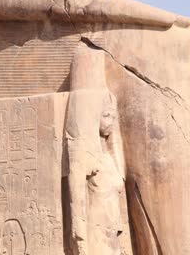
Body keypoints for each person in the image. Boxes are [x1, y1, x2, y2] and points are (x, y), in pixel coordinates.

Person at [66, 43, 125, 255]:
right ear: (93, 115)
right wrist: (80, 238)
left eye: (113, 116)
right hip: (95, 235)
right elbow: (77, 198)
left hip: (112, 234)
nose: (111, 122)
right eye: (107, 115)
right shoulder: (89, 158)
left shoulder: (109, 160)